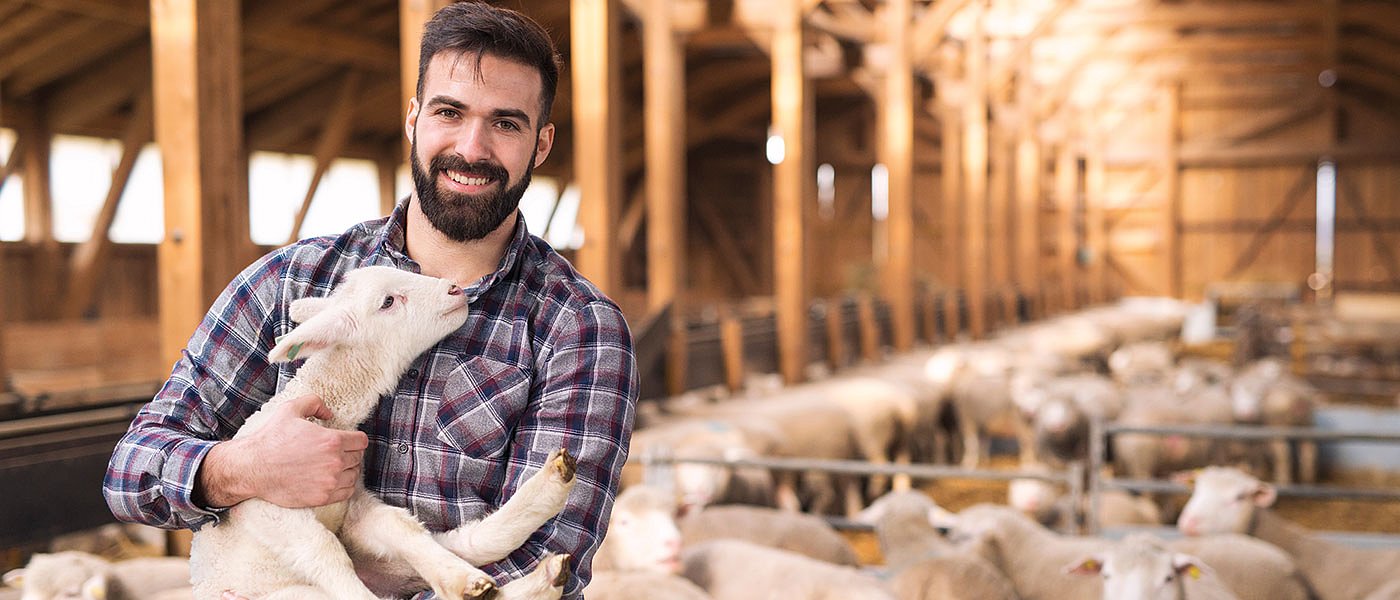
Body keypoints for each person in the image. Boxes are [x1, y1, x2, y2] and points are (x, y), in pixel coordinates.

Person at [102, 3, 637, 598]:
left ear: (541, 144)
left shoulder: (579, 330)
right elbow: (133, 470)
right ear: (413, 119)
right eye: (449, 112)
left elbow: (545, 558)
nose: (472, 146)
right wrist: (242, 468)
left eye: (506, 124)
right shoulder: (291, 281)